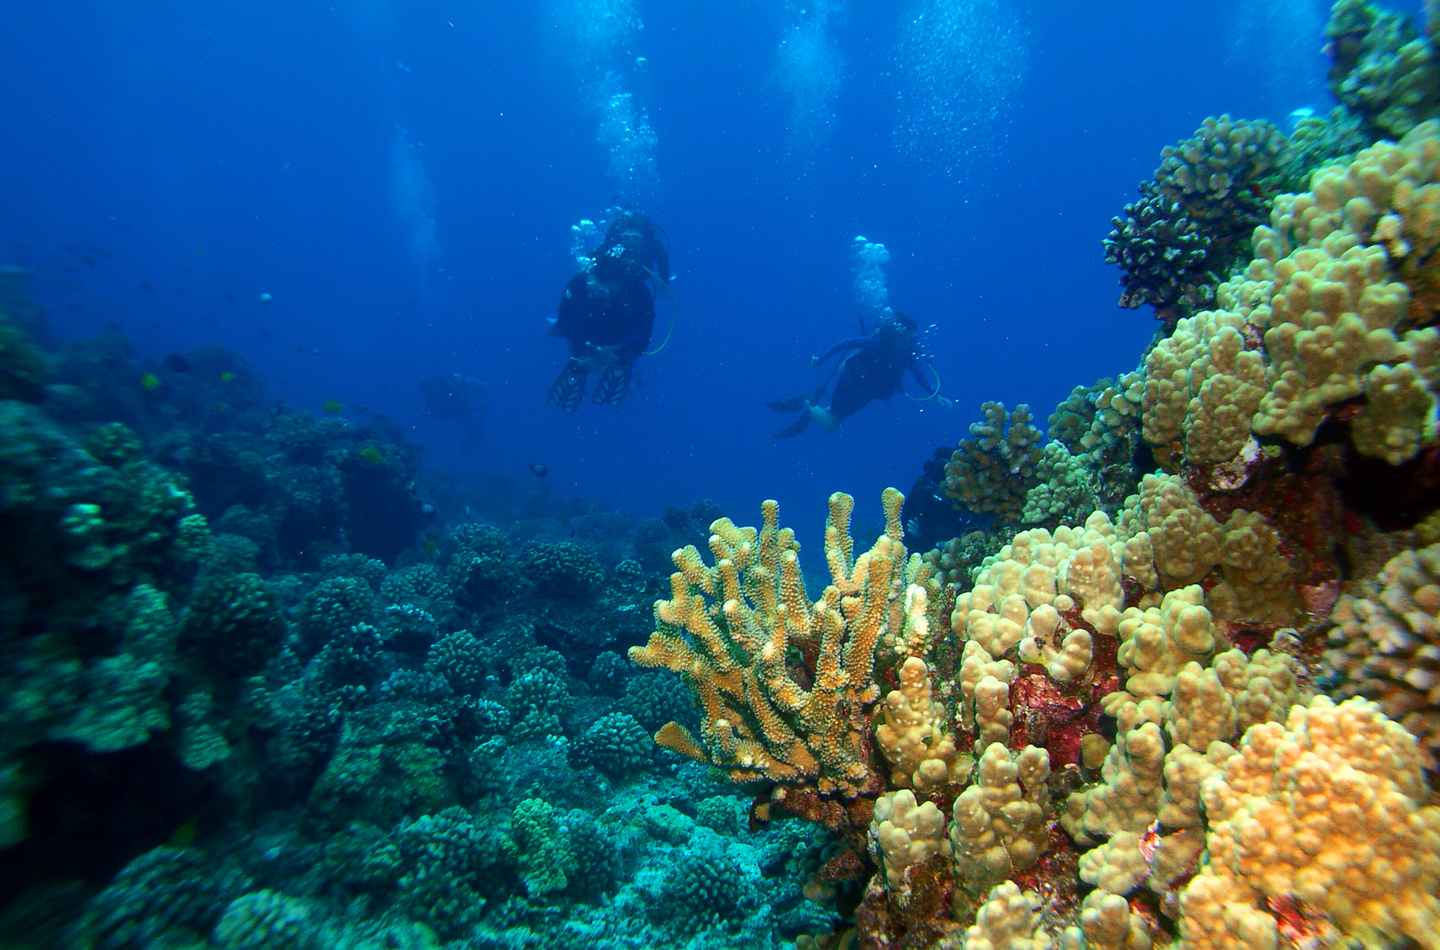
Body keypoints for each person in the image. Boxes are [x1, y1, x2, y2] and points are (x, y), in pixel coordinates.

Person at [545, 210, 670, 413]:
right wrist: (592, 350)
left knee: (624, 325)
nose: (600, 294)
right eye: (596, 288)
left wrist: (619, 353)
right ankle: (581, 361)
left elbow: (644, 333)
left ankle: (622, 363)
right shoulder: (580, 282)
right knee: (582, 318)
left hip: (617, 330)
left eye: (606, 290)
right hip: (589, 328)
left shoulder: (636, 290)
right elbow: (565, 322)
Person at [768, 312, 945, 437]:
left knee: (836, 419)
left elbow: (919, 375)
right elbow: (846, 343)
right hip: (852, 379)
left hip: (869, 390)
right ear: (899, 334)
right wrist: (821, 358)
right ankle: (806, 403)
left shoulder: (906, 354)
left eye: (914, 338)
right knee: (832, 425)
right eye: (909, 337)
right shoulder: (877, 343)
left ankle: (815, 410)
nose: (913, 342)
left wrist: (935, 394)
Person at [418, 372, 487, 455]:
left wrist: (430, 414)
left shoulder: (446, 385)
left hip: (461, 396)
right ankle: (473, 437)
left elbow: (462, 403)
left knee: (487, 389)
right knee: (463, 421)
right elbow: (443, 411)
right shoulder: (432, 393)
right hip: (457, 405)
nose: (427, 392)